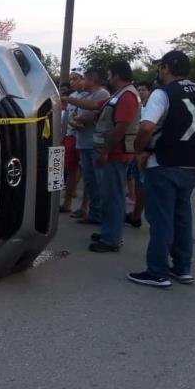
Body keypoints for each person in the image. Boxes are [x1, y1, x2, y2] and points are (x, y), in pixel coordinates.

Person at [128, 51, 195, 288]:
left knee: (161, 219)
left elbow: (146, 127)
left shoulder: (162, 93)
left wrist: (138, 150)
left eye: (160, 67)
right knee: (182, 217)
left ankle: (157, 272)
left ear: (165, 68)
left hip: (164, 163)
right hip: (192, 165)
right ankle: (182, 268)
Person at [63, 61, 141, 252]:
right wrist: (68, 99)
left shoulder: (127, 96)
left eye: (109, 74)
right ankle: (108, 232)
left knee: (113, 197)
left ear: (116, 75)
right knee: (109, 195)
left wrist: (105, 151)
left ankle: (111, 239)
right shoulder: (119, 94)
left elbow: (121, 127)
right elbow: (93, 105)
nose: (107, 78)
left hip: (115, 154)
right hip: (112, 153)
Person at [71, 69, 110, 223]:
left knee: (100, 182)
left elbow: (93, 114)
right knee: (89, 181)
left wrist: (79, 119)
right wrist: (76, 121)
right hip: (83, 143)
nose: (81, 82)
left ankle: (103, 216)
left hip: (95, 145)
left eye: (82, 79)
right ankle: (94, 214)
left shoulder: (102, 94)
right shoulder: (84, 96)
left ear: (91, 79)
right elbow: (72, 117)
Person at [125, 81, 153, 228]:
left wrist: (142, 150)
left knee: (142, 183)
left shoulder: (151, 107)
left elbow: (147, 128)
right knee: (136, 181)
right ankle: (136, 214)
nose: (140, 92)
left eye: (143, 90)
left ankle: (138, 215)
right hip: (135, 148)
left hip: (143, 150)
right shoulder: (138, 106)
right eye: (139, 90)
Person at [60, 68, 85, 213]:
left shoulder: (90, 96)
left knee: (87, 174)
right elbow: (67, 119)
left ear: (83, 79)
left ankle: (84, 207)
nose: (72, 82)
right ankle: (67, 203)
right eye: (71, 79)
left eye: (75, 78)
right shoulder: (72, 97)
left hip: (84, 138)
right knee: (70, 170)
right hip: (70, 137)